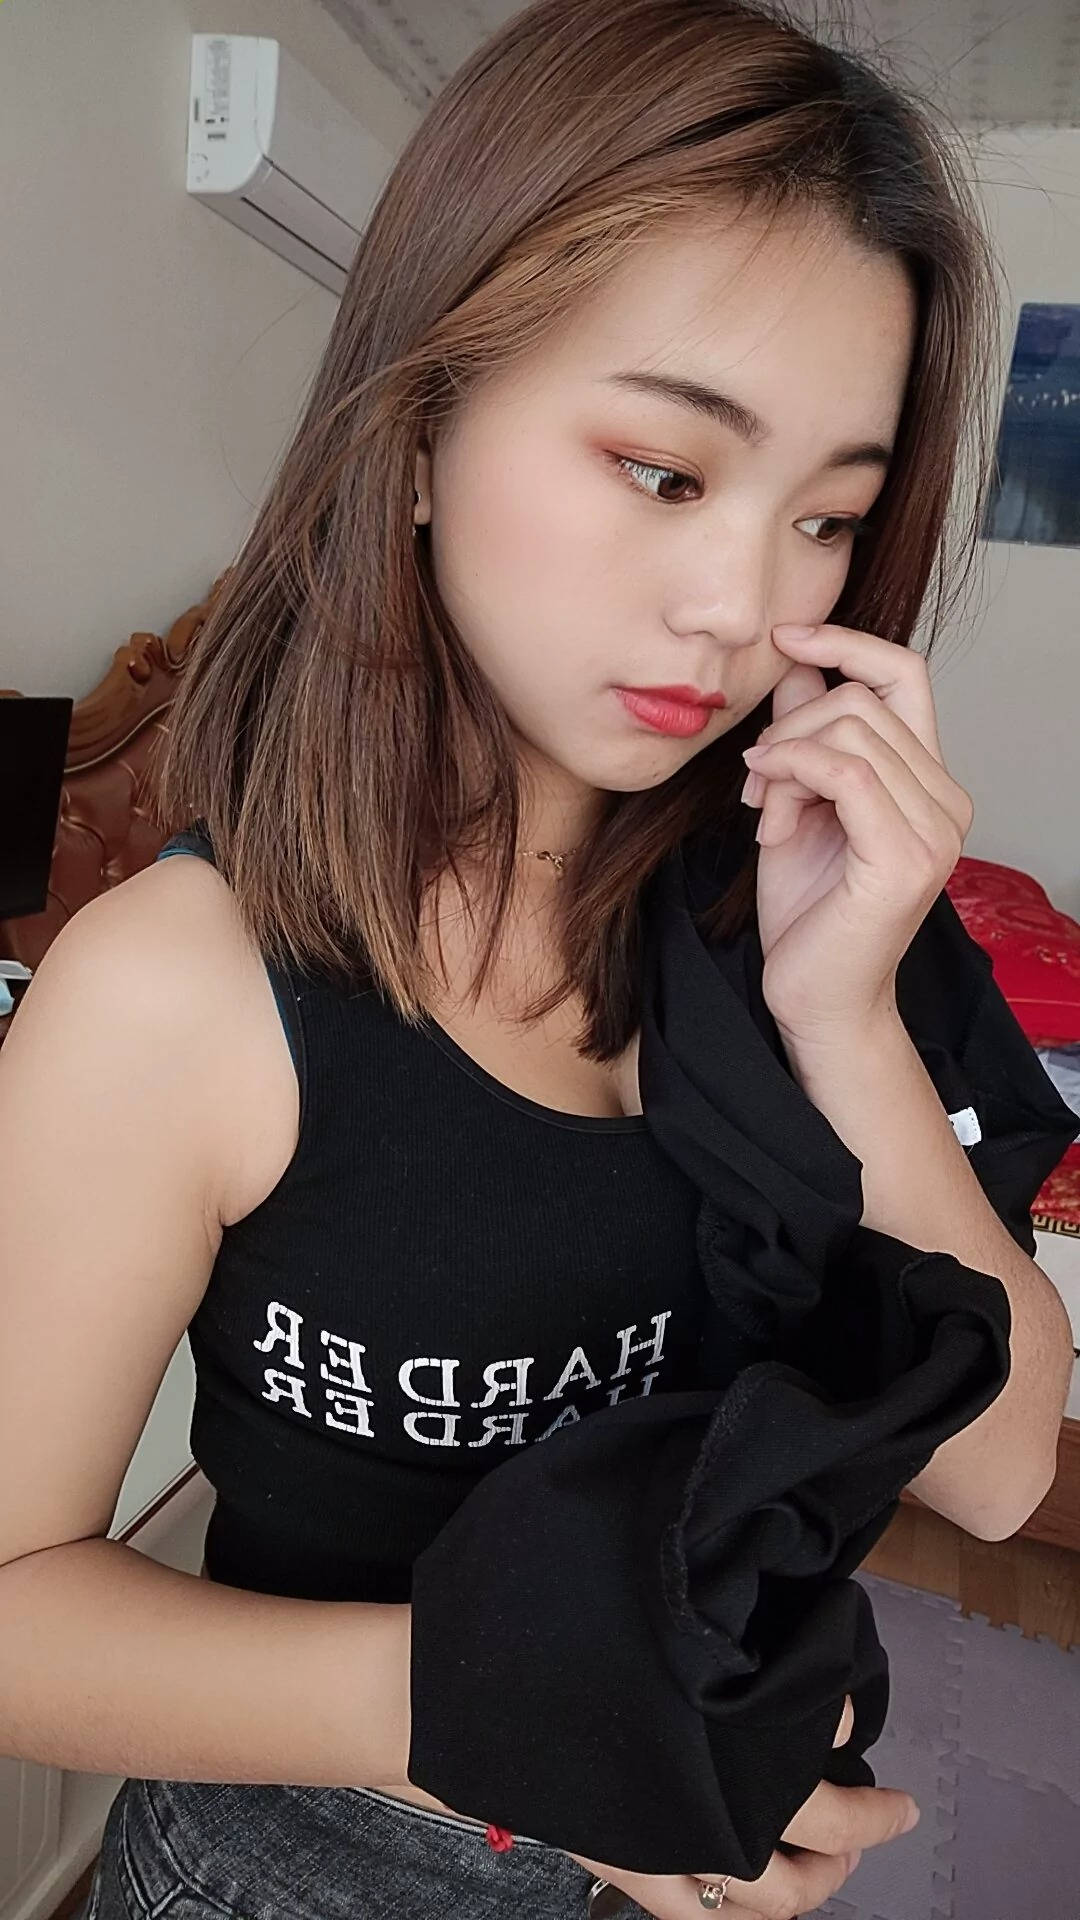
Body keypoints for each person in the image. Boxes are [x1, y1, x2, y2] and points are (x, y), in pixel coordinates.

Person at [1, 1, 1074, 1917]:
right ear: (416, 429)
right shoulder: (185, 991)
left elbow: (998, 1473)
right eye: (664, 470)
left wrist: (846, 1019)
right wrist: (540, 1718)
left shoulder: (812, 911)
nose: (742, 603)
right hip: (306, 1864)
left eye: (827, 516)